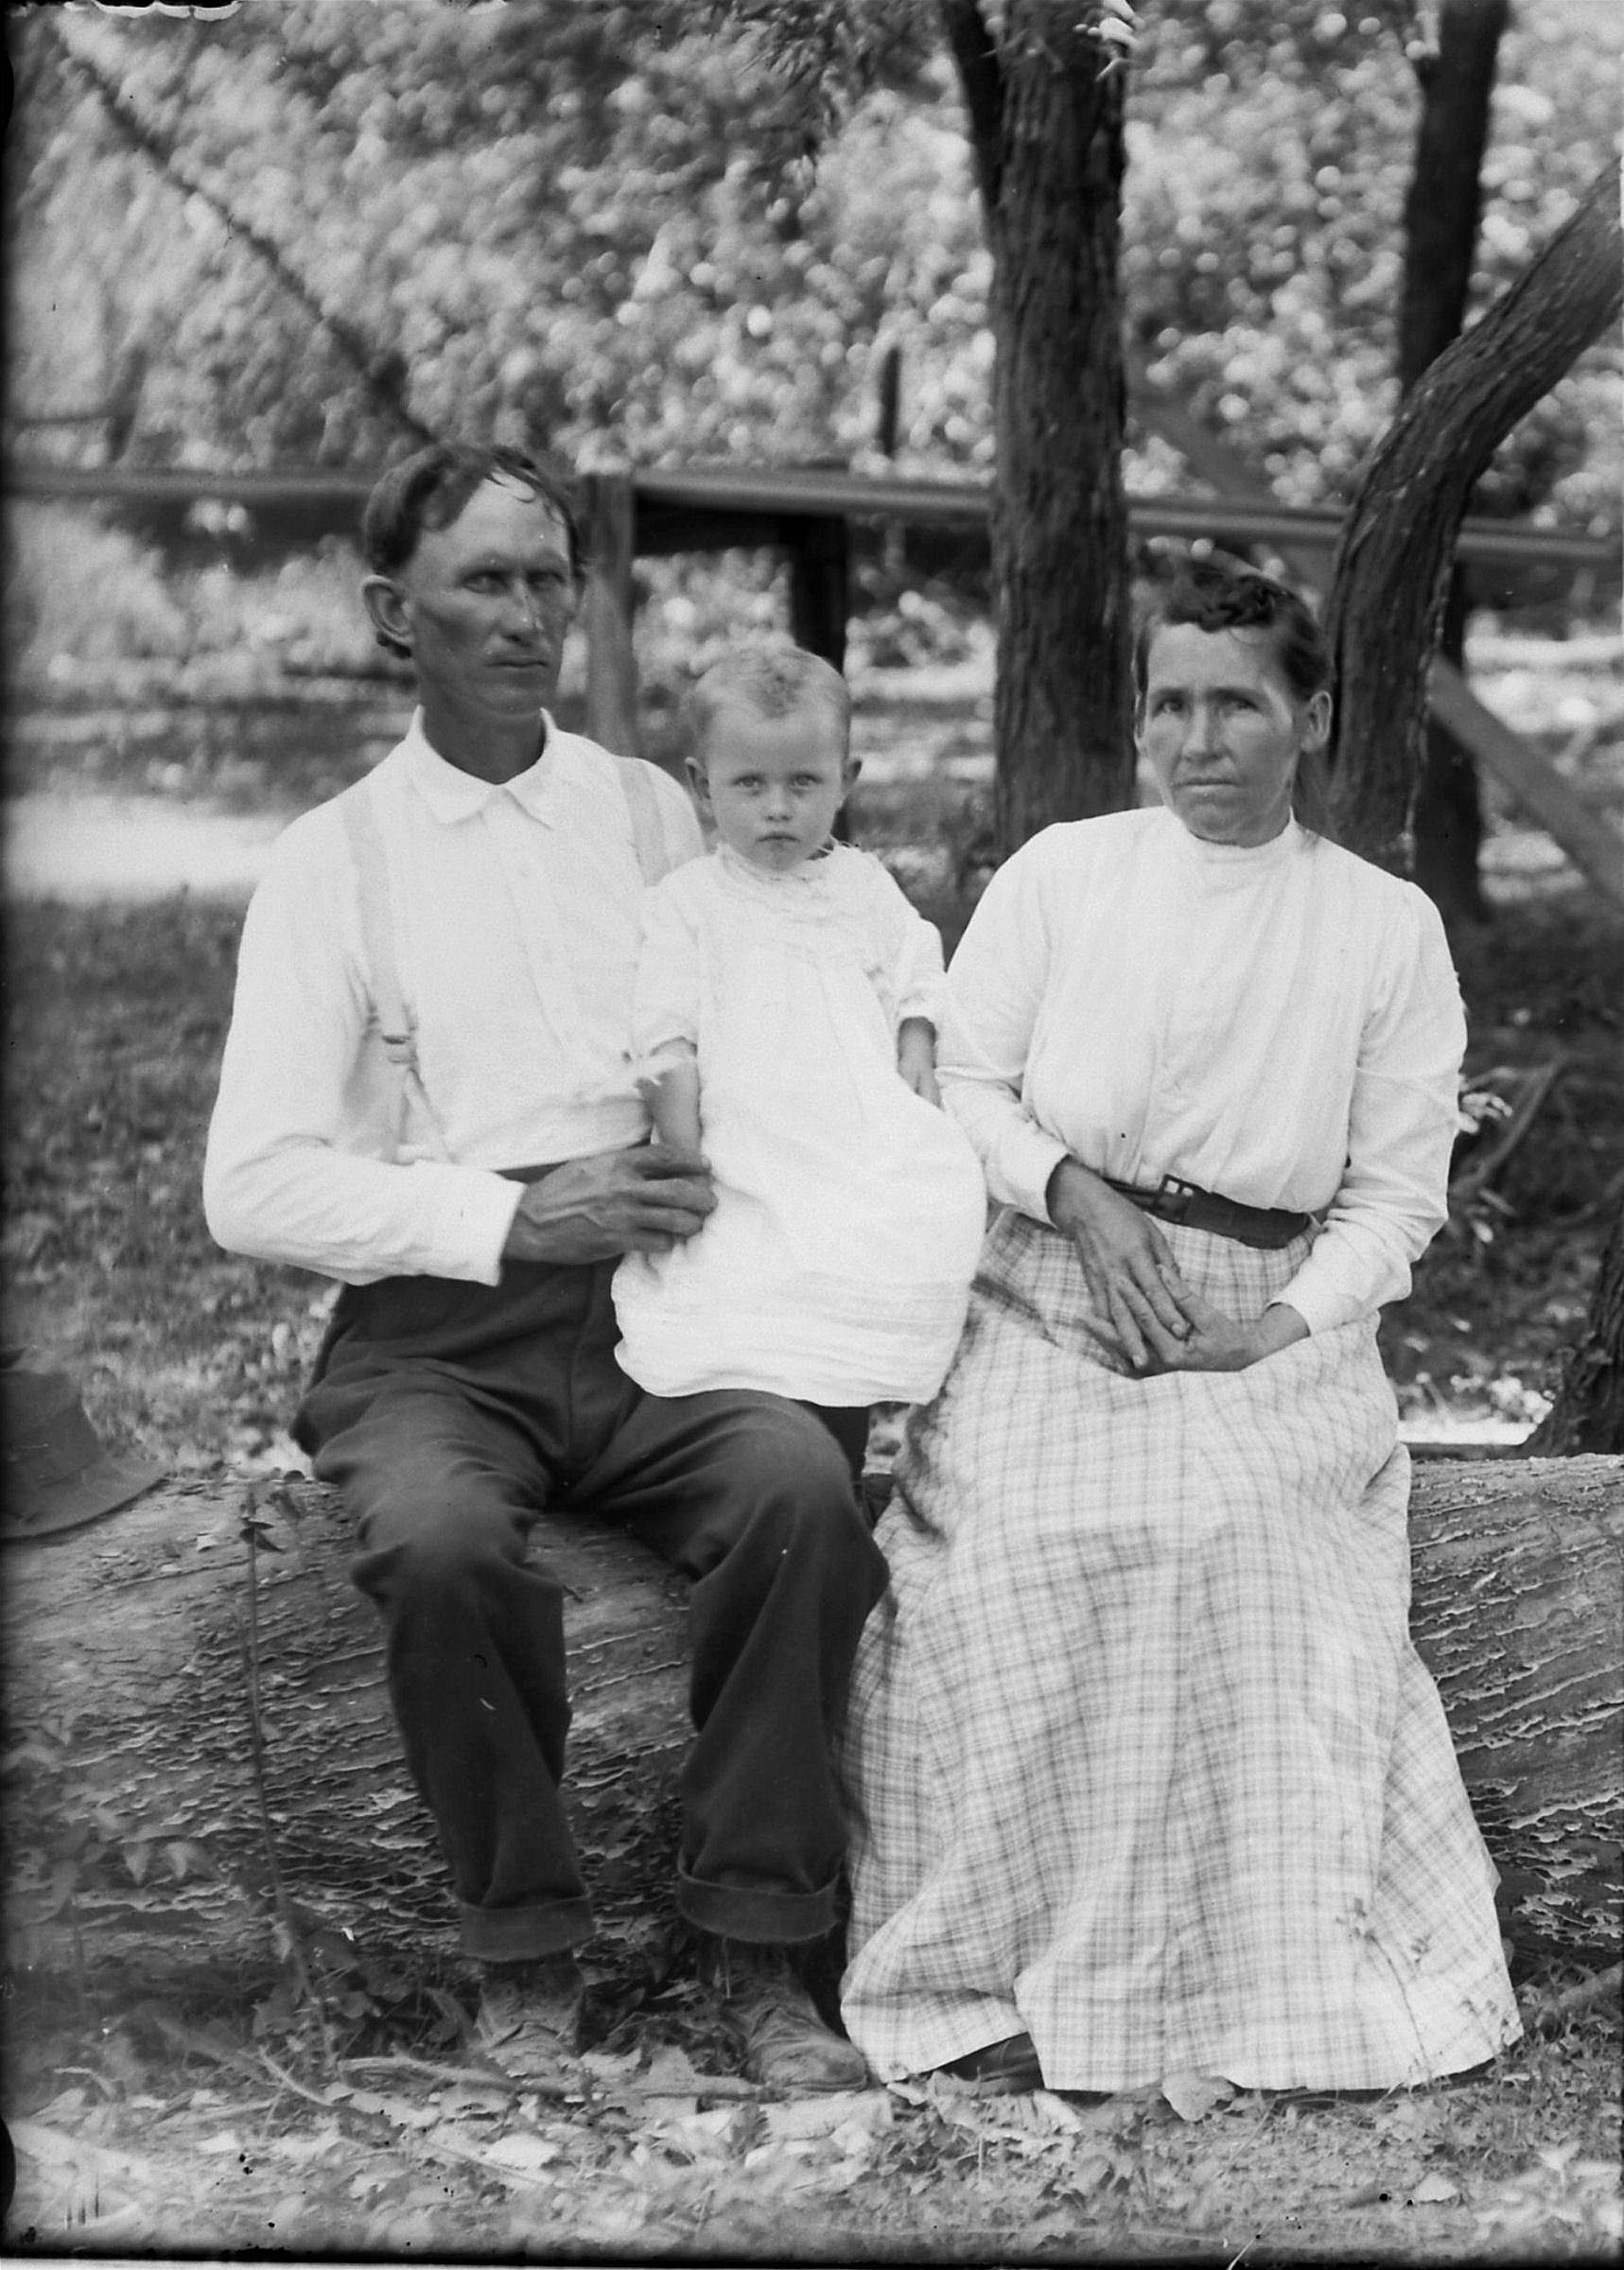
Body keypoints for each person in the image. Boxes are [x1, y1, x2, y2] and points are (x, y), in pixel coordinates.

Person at [203, 442, 885, 2093]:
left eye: (546, 581)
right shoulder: (335, 859)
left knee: (800, 1494)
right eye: (482, 584)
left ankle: (760, 1950)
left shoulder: (654, 810)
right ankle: (523, 1957)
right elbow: (251, 1183)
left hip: (666, 1306)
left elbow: (795, 998)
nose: (524, 618)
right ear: (395, 613)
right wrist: (509, 1219)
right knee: (440, 1545)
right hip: (441, 1331)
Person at [838, 557, 1523, 2096]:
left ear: (1310, 719)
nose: (1198, 741)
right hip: (1047, 1292)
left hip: (1270, 1323)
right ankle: (998, 1976)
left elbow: (1392, 1203)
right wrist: (1074, 1195)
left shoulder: (1382, 927)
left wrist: (1274, 1327)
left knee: (1237, 1547)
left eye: (1237, 706)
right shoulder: (1064, 874)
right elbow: (963, 1084)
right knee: (1025, 1546)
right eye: (1171, 707)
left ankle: (1244, 1996)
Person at [611, 647, 987, 1477]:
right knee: (753, 1299)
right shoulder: (688, 904)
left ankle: (838, 1464)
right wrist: (683, 1148)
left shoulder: (860, 886)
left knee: (868, 1262)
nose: (777, 809)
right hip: (748, 1136)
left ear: (845, 780)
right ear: (701, 784)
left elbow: (914, 960)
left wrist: (915, 1034)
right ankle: (779, 1469)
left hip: (849, 1138)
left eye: (803, 784)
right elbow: (665, 1032)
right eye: (748, 785)